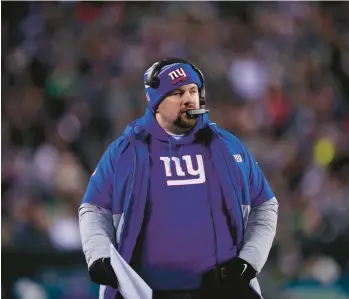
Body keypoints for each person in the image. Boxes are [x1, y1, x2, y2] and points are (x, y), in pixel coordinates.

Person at [78, 58, 279, 299]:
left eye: (193, 91)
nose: (189, 99)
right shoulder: (124, 152)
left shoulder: (229, 147)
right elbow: (94, 209)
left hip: (220, 292)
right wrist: (99, 256)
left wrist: (249, 261)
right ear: (154, 102)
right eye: (176, 93)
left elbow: (265, 205)